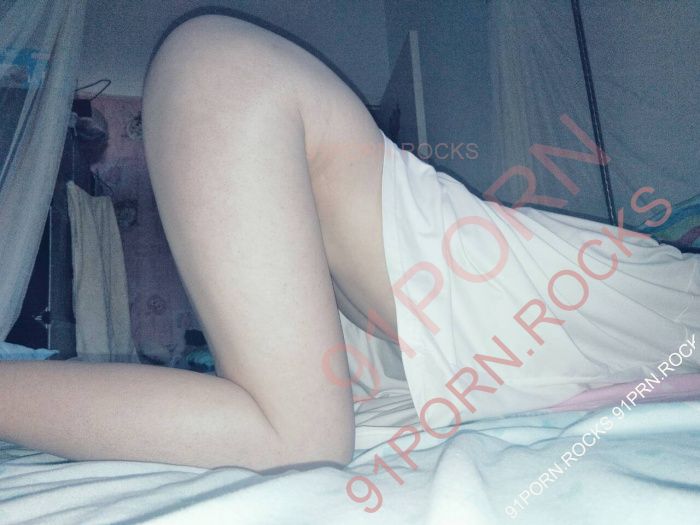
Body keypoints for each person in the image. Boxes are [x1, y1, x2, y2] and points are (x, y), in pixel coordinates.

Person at [1, 13, 697, 473]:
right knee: (301, 442)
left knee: (302, 423)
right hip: (240, 88)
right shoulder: (669, 287)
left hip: (232, 85)